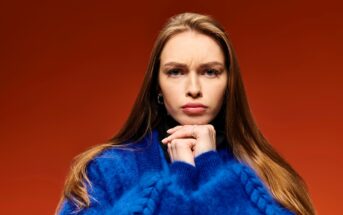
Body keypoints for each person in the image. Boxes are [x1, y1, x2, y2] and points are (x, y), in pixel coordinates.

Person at [56, 12, 315, 215]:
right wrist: (180, 175)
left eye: (210, 71)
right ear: (157, 84)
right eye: (176, 72)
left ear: (229, 84)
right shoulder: (106, 170)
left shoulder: (270, 176)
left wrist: (210, 168)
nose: (193, 89)